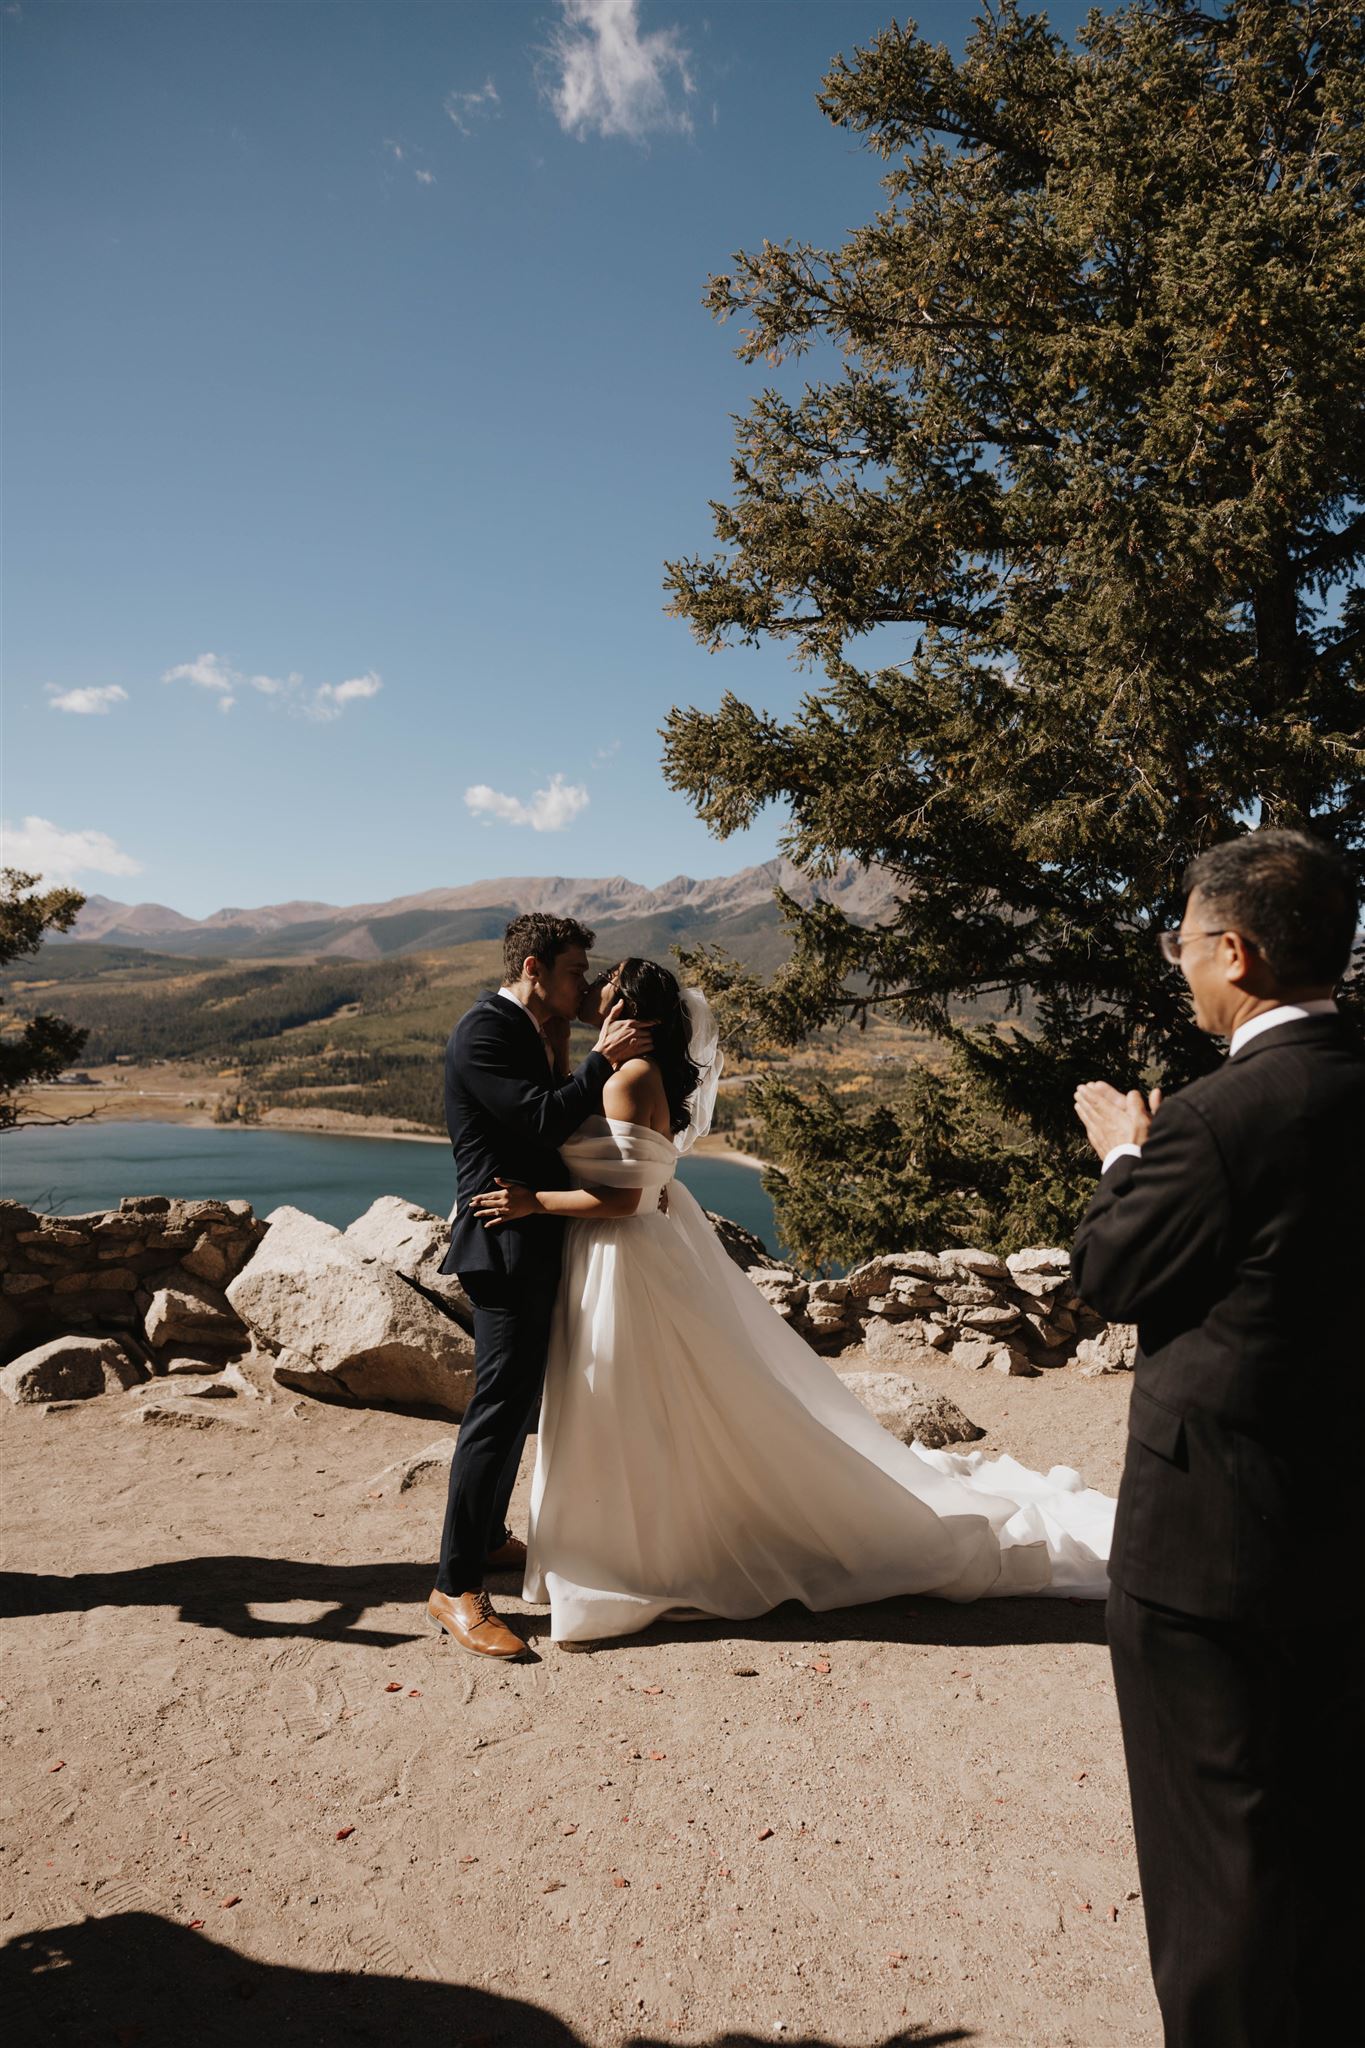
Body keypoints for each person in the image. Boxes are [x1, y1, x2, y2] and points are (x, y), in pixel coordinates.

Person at [467, 956, 1114, 1650]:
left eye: (604, 985)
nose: (591, 988)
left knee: (629, 1394)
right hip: (625, 1250)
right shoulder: (619, 1070)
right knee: (647, 1397)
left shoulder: (627, 1079)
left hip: (623, 1256)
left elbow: (624, 1199)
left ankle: (639, 1556)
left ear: (629, 1008)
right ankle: (637, 1540)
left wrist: (534, 1201)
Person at [1071, 828, 1364, 2048]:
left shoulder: (1218, 1116)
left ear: (1235, 952)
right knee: (1326, 1838)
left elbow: (1111, 1271)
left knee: (1218, 1869)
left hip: (1213, 1552)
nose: (1179, 960)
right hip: (1342, 1526)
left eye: (1185, 941)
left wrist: (1123, 1154)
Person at [428, 913, 652, 1659]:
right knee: (494, 1413)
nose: (583, 987)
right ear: (533, 967)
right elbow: (543, 1121)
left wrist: (568, 1046)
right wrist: (598, 1058)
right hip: (502, 1245)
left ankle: (488, 1539)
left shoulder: (530, 1029)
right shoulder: (484, 1031)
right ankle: (454, 1588)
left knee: (519, 1403)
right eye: (573, 974)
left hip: (536, 1239)